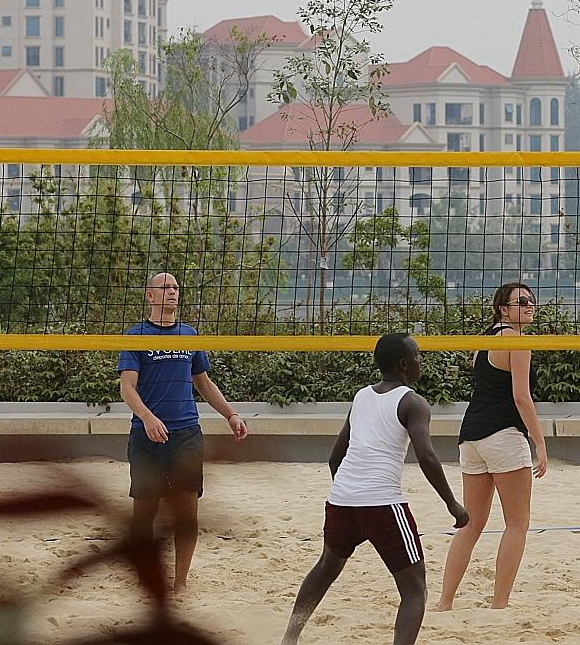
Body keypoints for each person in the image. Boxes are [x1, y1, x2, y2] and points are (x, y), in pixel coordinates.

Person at [281, 332, 469, 645]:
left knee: (326, 567)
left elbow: (334, 458)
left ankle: (290, 637)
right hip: (383, 505)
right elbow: (426, 456)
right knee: (415, 591)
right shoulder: (414, 402)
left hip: (341, 501)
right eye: (418, 355)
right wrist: (453, 504)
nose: (422, 360)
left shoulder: (361, 397)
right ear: (404, 364)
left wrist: (349, 491)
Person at [117, 272, 249, 593]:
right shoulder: (136, 335)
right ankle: (147, 580)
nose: (173, 292)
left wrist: (230, 414)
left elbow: (203, 383)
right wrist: (148, 418)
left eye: (176, 287)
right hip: (147, 436)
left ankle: (180, 583)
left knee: (187, 512)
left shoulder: (188, 334)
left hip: (187, 433)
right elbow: (127, 388)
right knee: (144, 513)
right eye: (166, 287)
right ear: (149, 296)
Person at [437, 281, 548, 611]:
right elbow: (520, 397)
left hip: (470, 437)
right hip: (502, 435)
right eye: (521, 301)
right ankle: (499, 603)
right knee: (517, 524)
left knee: (471, 524)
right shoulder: (517, 341)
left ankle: (445, 602)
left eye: (531, 300)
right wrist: (540, 443)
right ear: (503, 308)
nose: (530, 305)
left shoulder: (483, 340)